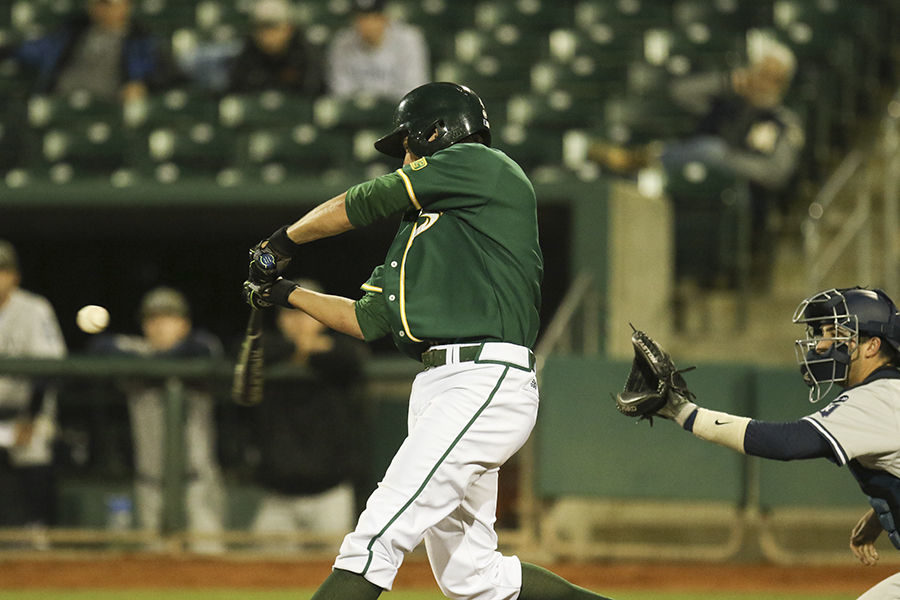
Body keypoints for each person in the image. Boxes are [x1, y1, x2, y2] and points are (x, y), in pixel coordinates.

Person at [242, 82, 615, 599]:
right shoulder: (425, 231)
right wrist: (286, 294)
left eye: (408, 145)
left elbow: (368, 197)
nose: (406, 157)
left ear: (437, 131)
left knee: (375, 537)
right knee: (472, 578)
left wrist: (284, 240)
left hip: (483, 378)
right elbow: (369, 319)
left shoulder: (482, 164)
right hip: (444, 384)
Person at [642, 286, 900, 599]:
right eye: (821, 332)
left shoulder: (879, 398)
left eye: (836, 332)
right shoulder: (889, 392)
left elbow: (787, 443)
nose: (821, 344)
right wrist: (880, 516)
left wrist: (684, 412)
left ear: (872, 345)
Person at [589, 30, 805, 289]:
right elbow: (680, 92)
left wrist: (726, 161)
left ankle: (646, 157)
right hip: (689, 182)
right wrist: (729, 82)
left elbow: (776, 173)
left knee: (710, 149)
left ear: (783, 82)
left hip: (739, 197)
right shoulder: (729, 105)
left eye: (772, 77)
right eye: (761, 72)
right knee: (653, 181)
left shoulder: (783, 122)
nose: (764, 82)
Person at [89, 286, 226, 553]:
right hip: (149, 484)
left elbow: (205, 349)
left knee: (210, 565)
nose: (159, 325)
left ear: (184, 324)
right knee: (154, 570)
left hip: (196, 483)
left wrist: (150, 365)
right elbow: (99, 346)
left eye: (168, 318)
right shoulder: (137, 350)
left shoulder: (198, 347)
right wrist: (150, 361)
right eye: (152, 319)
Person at [249, 280, 369, 551]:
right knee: (261, 579)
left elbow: (352, 360)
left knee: (335, 575)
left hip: (330, 494)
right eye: (291, 313)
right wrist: (300, 348)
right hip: (278, 495)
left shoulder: (341, 352)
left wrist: (307, 352)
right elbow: (244, 354)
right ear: (279, 320)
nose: (299, 322)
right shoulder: (269, 351)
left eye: (307, 313)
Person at [0, 240, 66, 546]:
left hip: (26, 409)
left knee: (35, 449)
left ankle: (38, 533)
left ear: (14, 276)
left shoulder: (33, 309)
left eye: (2, 270)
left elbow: (48, 368)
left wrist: (31, 416)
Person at [1, 0, 172, 103]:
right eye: (100, 3)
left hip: (108, 107)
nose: (103, 8)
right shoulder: (73, 31)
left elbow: (169, 74)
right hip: (60, 101)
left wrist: (143, 85)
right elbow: (34, 50)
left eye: (110, 4)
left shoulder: (141, 39)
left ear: (126, 6)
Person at [325, 0, 429, 101]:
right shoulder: (341, 42)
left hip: (399, 111)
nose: (366, 24)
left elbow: (414, 89)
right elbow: (340, 91)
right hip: (357, 114)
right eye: (361, 18)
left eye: (373, 17)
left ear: (385, 17)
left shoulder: (409, 39)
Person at [225, 0, 324, 95]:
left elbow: (313, 94)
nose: (266, 35)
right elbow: (236, 93)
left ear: (289, 28)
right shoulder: (247, 53)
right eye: (260, 28)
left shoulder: (305, 53)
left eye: (273, 28)